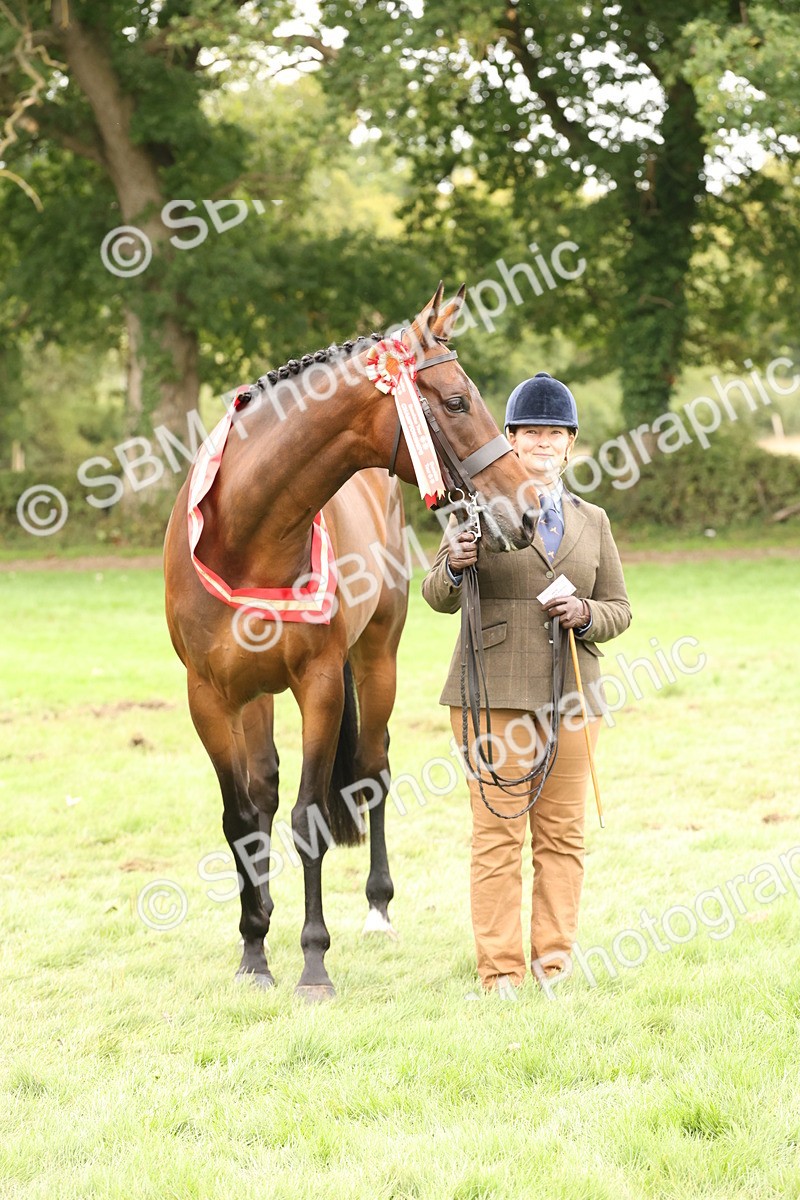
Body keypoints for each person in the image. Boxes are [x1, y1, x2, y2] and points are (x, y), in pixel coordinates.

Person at [421, 371, 632, 996]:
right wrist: (455, 565)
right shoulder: (475, 512)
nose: (543, 442)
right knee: (498, 837)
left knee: (562, 837)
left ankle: (553, 966)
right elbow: (434, 595)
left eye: (555, 433)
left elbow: (619, 608)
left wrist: (586, 613)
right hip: (494, 694)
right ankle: (501, 973)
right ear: (509, 439)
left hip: (573, 694)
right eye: (531, 431)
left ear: (570, 444)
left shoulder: (594, 521)